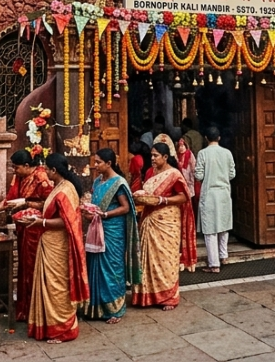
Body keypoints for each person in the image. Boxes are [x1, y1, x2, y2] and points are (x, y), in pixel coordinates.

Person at [21, 153, 89, 343]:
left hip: (58, 245)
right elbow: (50, 207)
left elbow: (65, 222)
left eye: (47, 168)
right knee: (49, 286)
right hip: (49, 242)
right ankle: (48, 326)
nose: (44, 171)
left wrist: (40, 223)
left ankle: (64, 330)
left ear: (54, 170)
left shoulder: (66, 190)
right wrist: (30, 207)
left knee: (57, 286)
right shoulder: (59, 186)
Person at [0, 149, 53, 322]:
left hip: (37, 230)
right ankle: (26, 309)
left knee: (34, 268)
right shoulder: (19, 177)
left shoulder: (41, 178)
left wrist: (26, 203)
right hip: (24, 229)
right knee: (24, 268)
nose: (14, 171)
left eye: (17, 167)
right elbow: (9, 200)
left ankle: (39, 311)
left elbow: (49, 204)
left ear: (27, 166)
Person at [132, 142, 196, 310]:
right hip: (149, 217)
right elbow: (147, 193)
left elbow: (184, 196)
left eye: (155, 156)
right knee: (148, 258)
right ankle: (148, 296)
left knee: (165, 258)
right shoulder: (149, 172)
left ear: (165, 157)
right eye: (151, 155)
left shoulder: (174, 174)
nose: (152, 158)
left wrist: (163, 200)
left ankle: (168, 297)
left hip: (167, 221)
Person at [81, 148, 140, 323]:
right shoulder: (98, 180)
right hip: (97, 228)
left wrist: (104, 215)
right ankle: (95, 308)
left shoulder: (119, 183)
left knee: (112, 267)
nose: (95, 165)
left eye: (98, 162)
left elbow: (126, 208)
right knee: (95, 265)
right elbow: (95, 201)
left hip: (112, 230)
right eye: (95, 161)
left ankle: (115, 309)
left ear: (109, 163)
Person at [195, 127, 236, 274]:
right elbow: (232, 174)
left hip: (210, 194)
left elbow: (199, 175)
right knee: (223, 225)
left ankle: (214, 264)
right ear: (219, 138)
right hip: (224, 192)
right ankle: (223, 256)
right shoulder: (227, 153)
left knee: (210, 229)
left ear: (206, 138)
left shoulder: (203, 153)